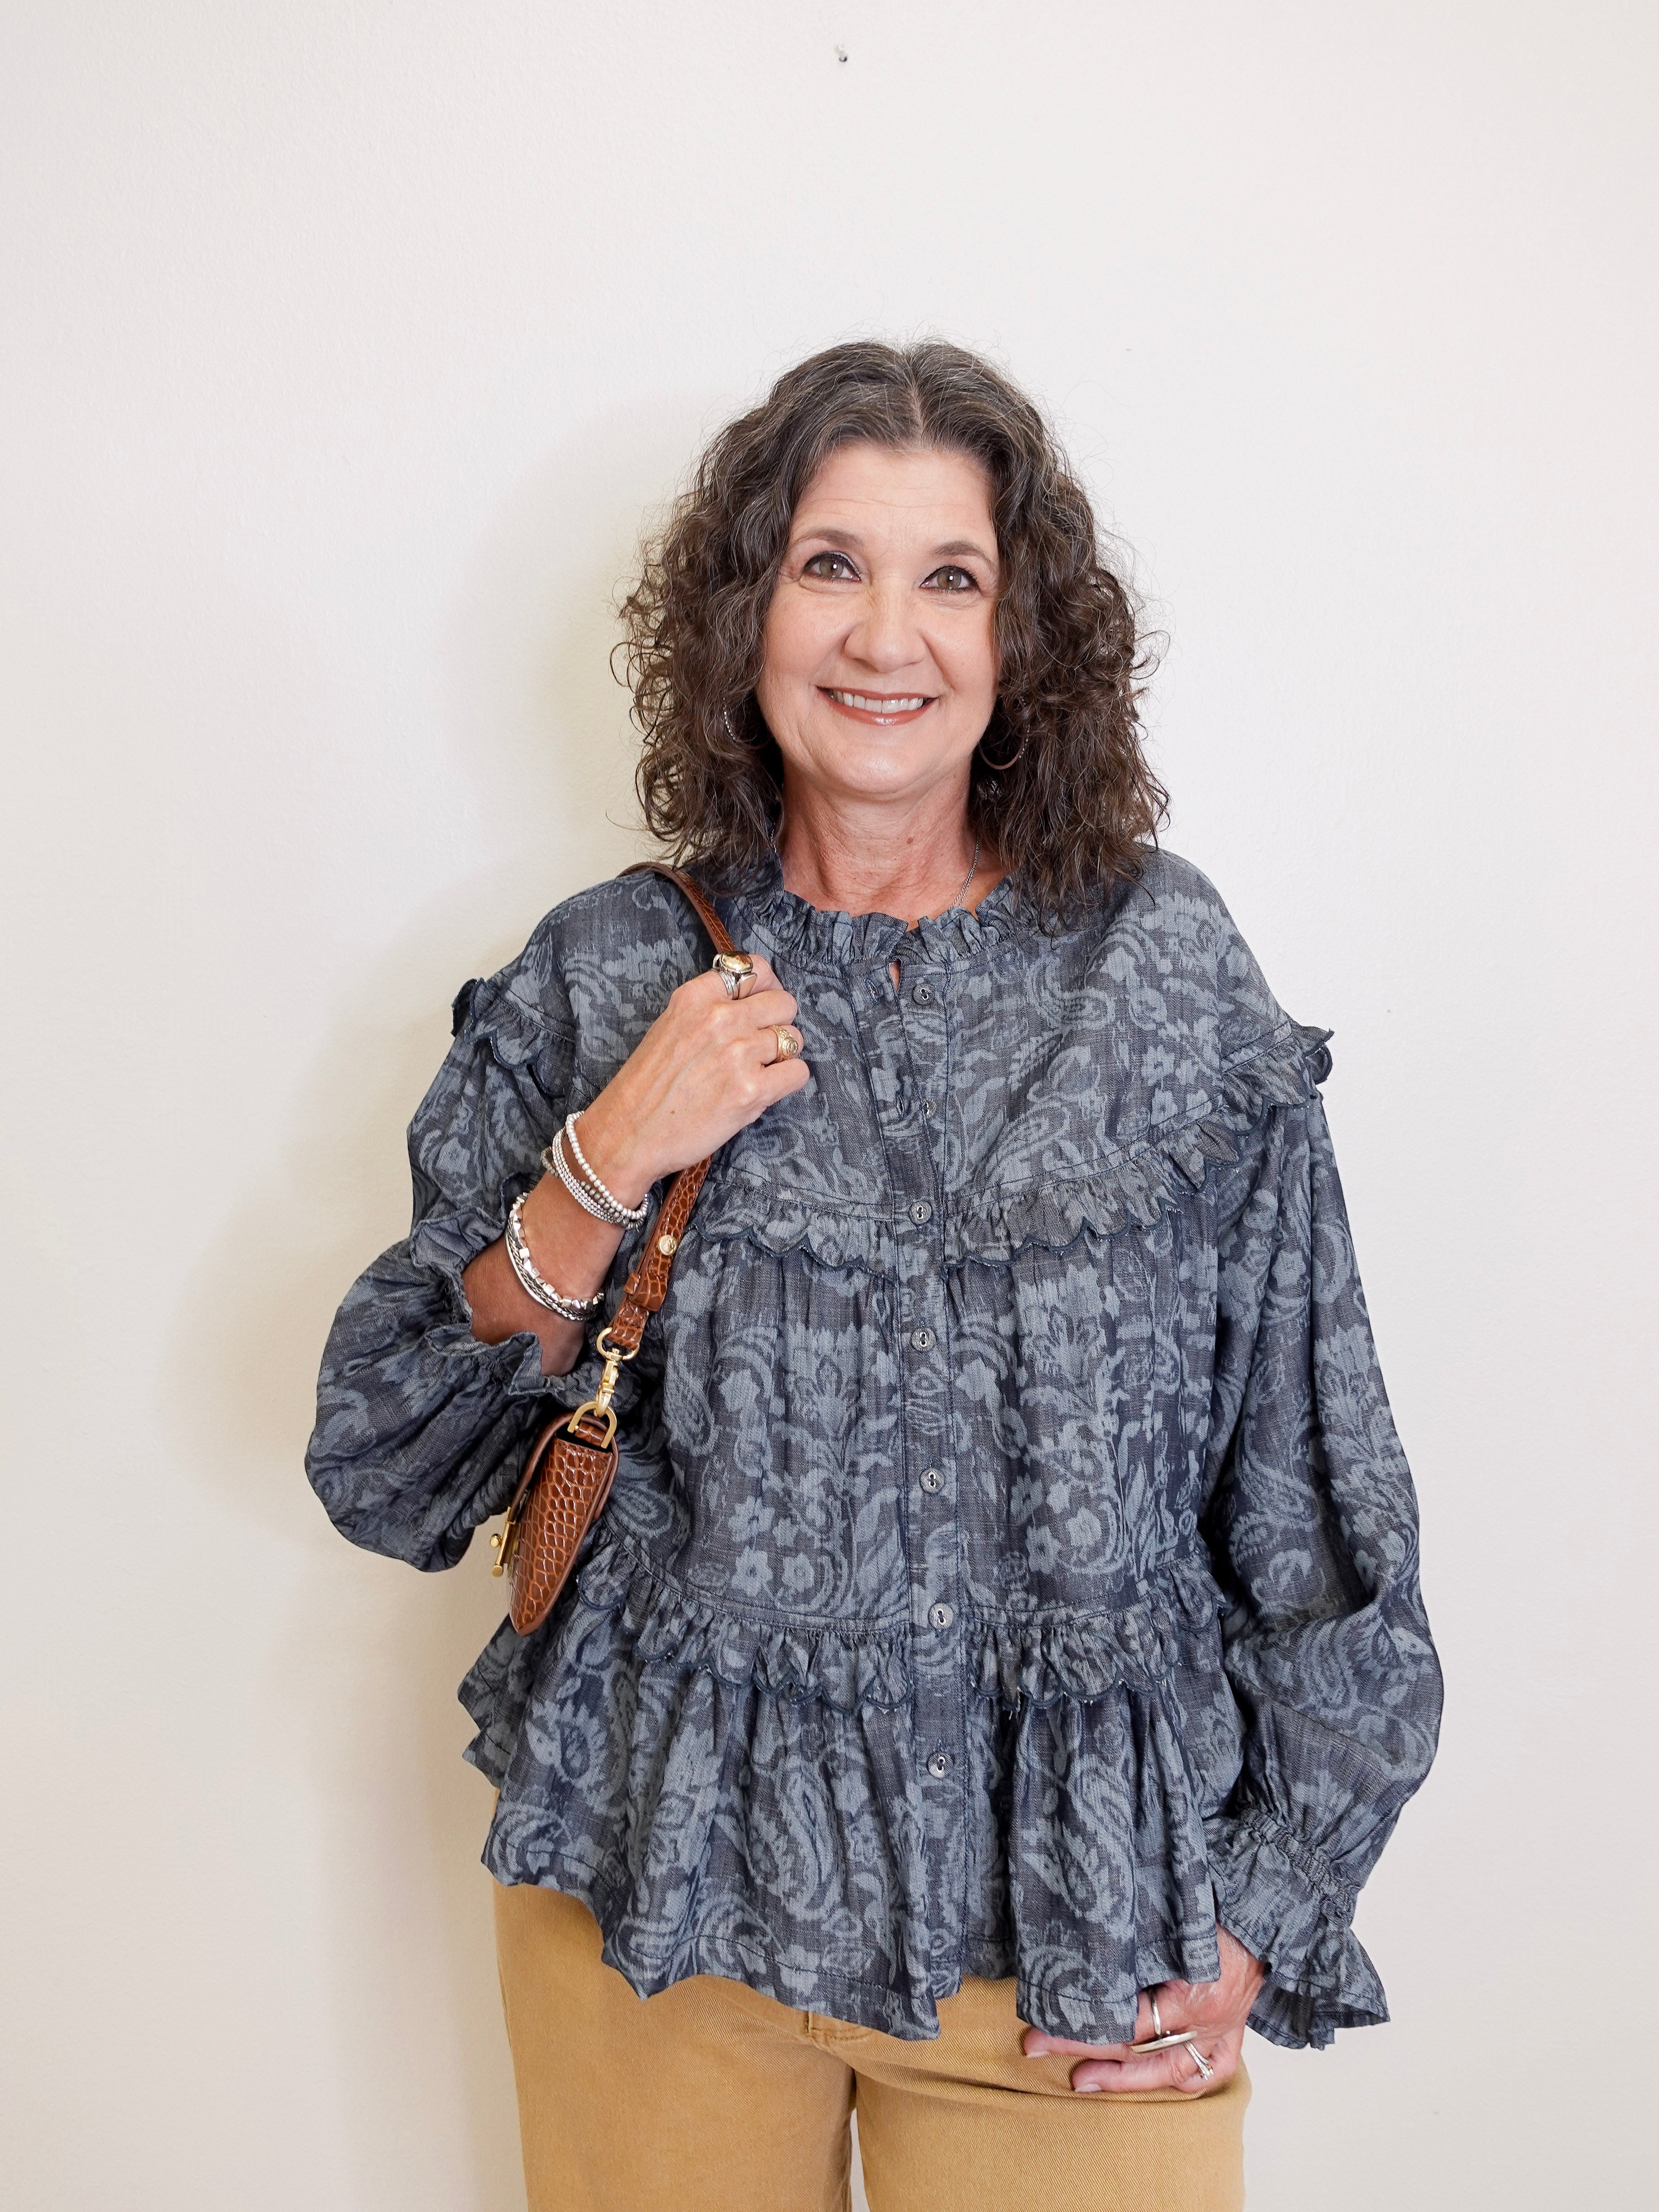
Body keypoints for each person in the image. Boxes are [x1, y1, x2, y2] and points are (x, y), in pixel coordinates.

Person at [307, 340, 1442, 2212]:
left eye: (950, 577)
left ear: (1020, 645)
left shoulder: (1160, 974)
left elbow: (1319, 1481)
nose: (882, 636)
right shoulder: (609, 972)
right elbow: (385, 1459)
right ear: (746, 613)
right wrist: (609, 1156)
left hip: (1083, 1949)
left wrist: (1265, 1906)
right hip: (661, 1918)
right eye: (830, 566)